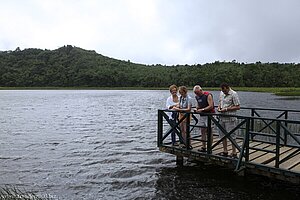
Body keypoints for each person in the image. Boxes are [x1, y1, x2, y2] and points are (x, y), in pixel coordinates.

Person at [217, 83, 241, 158]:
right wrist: (219, 108)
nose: (224, 92)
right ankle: (225, 151)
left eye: (224, 91)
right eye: (222, 91)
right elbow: (220, 102)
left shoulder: (234, 94)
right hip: (221, 117)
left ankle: (234, 152)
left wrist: (227, 109)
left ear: (227, 88)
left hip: (230, 118)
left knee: (232, 135)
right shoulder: (221, 93)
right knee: (222, 135)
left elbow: (238, 106)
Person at [193, 85, 215, 152]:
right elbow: (198, 104)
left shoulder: (208, 95)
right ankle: (203, 147)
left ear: (201, 90)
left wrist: (202, 109)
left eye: (197, 93)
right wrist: (196, 108)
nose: (197, 94)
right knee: (202, 131)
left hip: (209, 115)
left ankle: (210, 147)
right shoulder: (197, 97)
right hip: (202, 116)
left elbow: (211, 106)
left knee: (209, 131)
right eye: (195, 93)